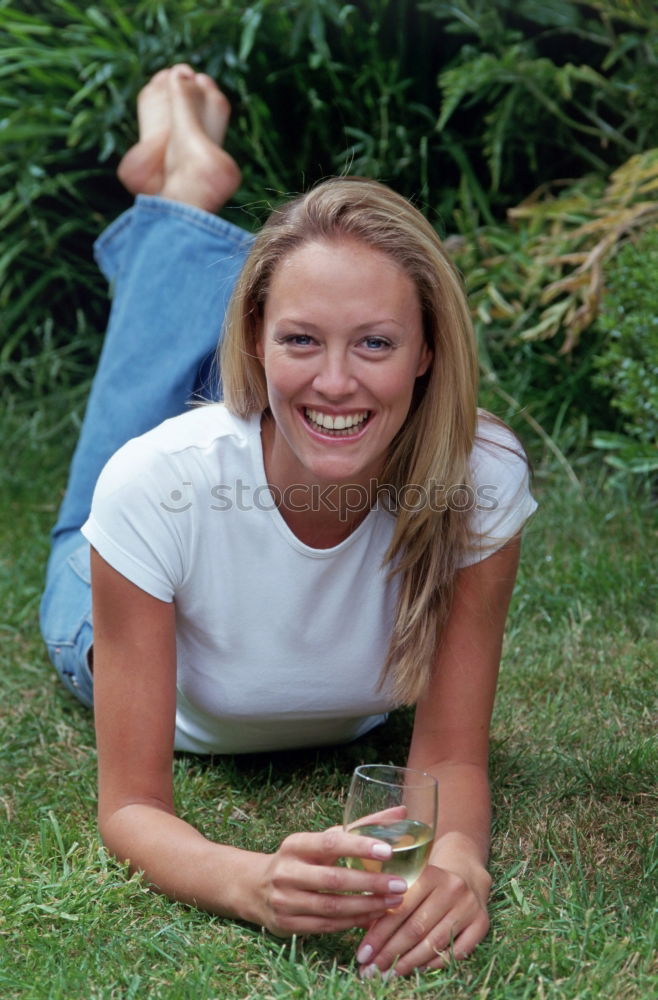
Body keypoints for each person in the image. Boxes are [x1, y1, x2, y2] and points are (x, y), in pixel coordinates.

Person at [39, 64, 537, 978]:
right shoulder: (162, 483)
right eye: (298, 339)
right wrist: (253, 881)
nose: (338, 380)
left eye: (376, 342)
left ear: (429, 348)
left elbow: (455, 758)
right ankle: (186, 187)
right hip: (103, 594)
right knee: (129, 431)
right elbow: (131, 809)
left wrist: (460, 856)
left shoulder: (479, 477)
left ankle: (188, 188)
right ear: (254, 339)